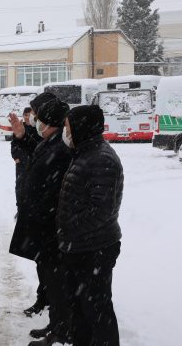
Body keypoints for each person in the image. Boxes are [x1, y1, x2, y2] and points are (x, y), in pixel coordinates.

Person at [58, 105, 123, 346]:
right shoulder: (85, 153)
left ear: (81, 128)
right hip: (80, 247)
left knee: (97, 310)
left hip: (95, 249)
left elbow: (102, 211)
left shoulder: (101, 159)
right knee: (80, 309)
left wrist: (69, 228)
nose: (66, 132)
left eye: (68, 127)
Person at [8, 92, 56, 319]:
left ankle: (55, 311)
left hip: (50, 215)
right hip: (37, 210)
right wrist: (21, 136)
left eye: (37, 115)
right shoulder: (46, 139)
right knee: (42, 262)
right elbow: (30, 151)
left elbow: (42, 157)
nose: (34, 119)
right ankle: (45, 299)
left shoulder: (61, 143)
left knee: (50, 265)